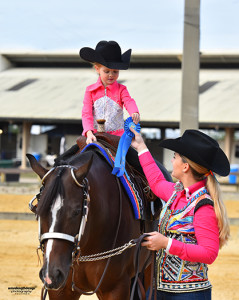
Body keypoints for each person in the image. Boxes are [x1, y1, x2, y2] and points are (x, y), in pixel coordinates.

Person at [130, 128, 230, 300]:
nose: (172, 159)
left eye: (175, 156)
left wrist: (166, 243)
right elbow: (156, 181)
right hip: (162, 291)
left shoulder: (203, 206)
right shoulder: (177, 193)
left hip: (189, 295)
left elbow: (209, 253)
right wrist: (141, 147)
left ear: (185, 166)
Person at [79, 40, 140, 144]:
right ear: (97, 69)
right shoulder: (90, 90)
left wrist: (134, 112)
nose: (111, 75)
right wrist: (89, 132)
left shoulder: (122, 89)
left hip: (117, 137)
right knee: (73, 155)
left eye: (115, 71)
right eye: (107, 71)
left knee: (134, 156)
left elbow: (128, 101)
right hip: (94, 135)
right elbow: (86, 113)